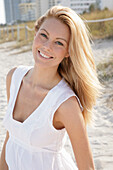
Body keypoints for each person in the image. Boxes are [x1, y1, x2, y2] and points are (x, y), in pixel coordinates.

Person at [0, 5, 101, 170]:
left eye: (59, 43)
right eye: (44, 35)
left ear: (68, 51)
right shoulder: (14, 78)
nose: (47, 46)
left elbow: (87, 167)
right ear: (36, 32)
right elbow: (11, 138)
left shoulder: (65, 103)